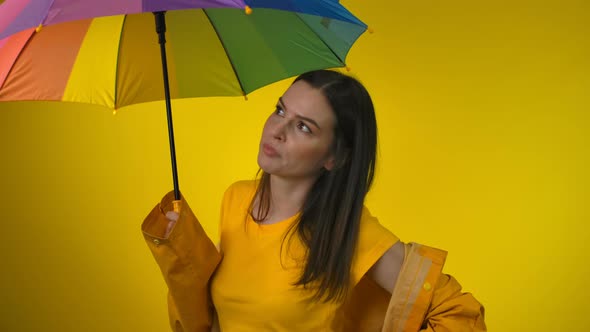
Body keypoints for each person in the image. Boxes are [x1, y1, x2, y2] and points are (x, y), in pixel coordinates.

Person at [142, 70, 486, 331]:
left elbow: (456, 312)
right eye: (280, 111)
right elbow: (205, 319)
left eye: (304, 127)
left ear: (334, 157)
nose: (277, 130)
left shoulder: (347, 231)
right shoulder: (237, 198)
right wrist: (184, 251)